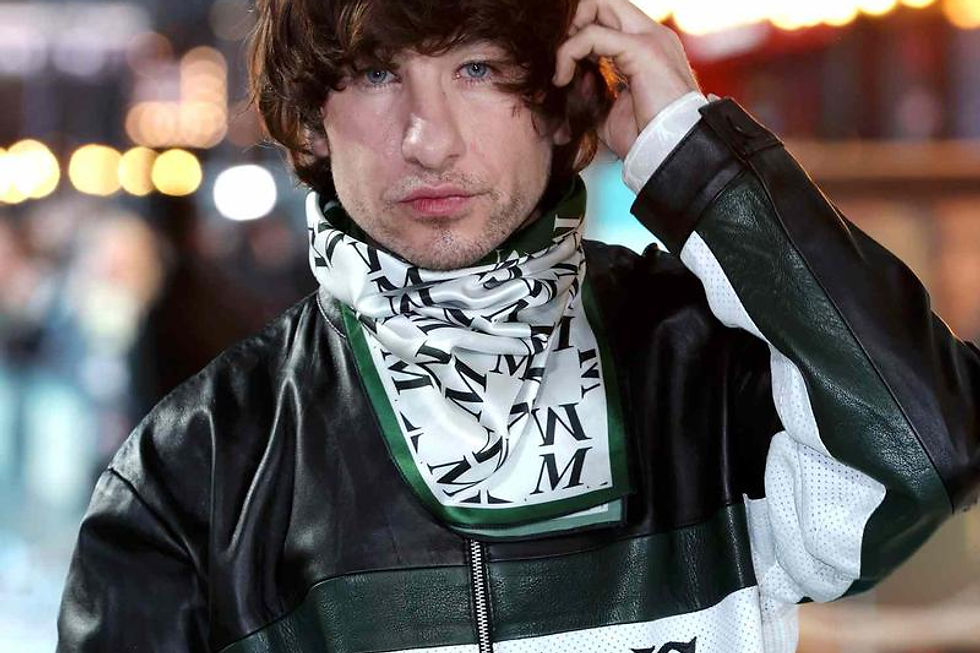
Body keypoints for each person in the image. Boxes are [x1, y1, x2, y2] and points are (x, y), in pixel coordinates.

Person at [56, 0, 980, 651]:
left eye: (479, 68)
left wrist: (693, 153)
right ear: (311, 121)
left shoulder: (712, 367)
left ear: (559, 101)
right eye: (376, 73)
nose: (430, 137)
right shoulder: (192, 470)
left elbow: (928, 446)